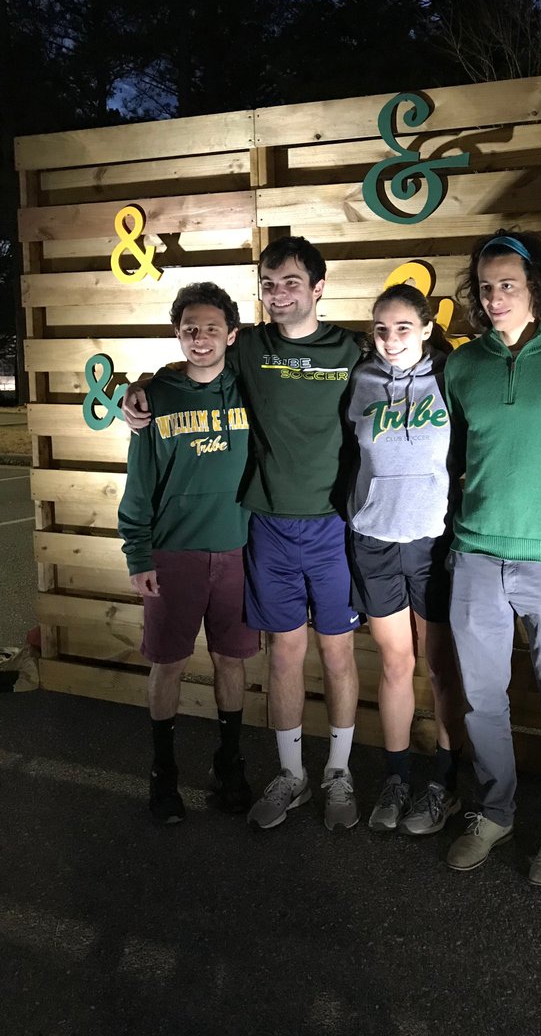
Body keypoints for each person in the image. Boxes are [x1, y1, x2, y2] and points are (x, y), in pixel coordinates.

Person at [124, 236, 362, 832]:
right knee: (265, 655)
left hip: (306, 530)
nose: (278, 295)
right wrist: (141, 387)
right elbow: (185, 369)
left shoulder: (354, 349)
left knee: (310, 655)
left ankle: (325, 773)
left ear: (317, 288)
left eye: (290, 284)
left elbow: (410, 369)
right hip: (252, 533)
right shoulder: (240, 351)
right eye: (269, 285)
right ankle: (265, 775)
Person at [442, 230, 541, 885]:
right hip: (476, 554)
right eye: (486, 286)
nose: (495, 296)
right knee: (482, 704)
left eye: (508, 283)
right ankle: (495, 811)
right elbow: (452, 453)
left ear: (537, 286)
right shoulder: (460, 365)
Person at [118, 282, 257, 824]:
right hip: (173, 553)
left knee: (230, 660)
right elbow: (140, 482)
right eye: (190, 329)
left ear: (232, 335)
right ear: (178, 334)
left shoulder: (250, 388)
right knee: (169, 664)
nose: (200, 338)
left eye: (211, 328)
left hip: (237, 549)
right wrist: (138, 554)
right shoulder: (157, 399)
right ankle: (164, 773)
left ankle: (230, 765)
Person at [346, 284, 466, 835]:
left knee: (440, 667)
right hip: (374, 537)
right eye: (380, 330)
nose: (390, 341)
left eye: (402, 329)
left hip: (432, 540)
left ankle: (443, 783)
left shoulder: (452, 377)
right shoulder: (360, 378)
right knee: (396, 665)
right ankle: (396, 778)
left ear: (424, 329)